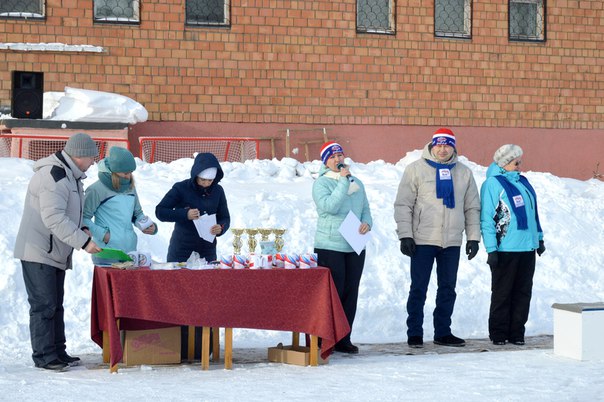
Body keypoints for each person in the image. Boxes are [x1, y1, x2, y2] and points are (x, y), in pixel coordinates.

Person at [14, 133, 102, 371]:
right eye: (93, 156)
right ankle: (44, 356)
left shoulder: (71, 176)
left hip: (54, 249)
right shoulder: (54, 176)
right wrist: (83, 242)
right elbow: (53, 218)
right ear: (80, 155)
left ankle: (57, 351)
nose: (94, 161)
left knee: (56, 303)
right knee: (44, 304)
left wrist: (81, 228)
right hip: (39, 250)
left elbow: (67, 213)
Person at [394, 128, 481, 348]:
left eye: (447, 145)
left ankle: (443, 332)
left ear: (453, 147)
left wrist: (473, 238)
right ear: (432, 146)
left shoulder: (464, 173)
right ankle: (414, 332)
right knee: (418, 288)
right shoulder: (415, 170)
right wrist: (405, 235)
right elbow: (404, 204)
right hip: (423, 239)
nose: (442, 150)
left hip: (451, 241)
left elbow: (472, 207)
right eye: (439, 145)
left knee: (447, 288)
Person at [155, 152, 230, 359]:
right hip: (182, 248)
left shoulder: (218, 191)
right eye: (203, 179)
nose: (206, 184)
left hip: (207, 249)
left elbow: (225, 216)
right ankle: (178, 343)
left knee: (205, 296)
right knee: (178, 294)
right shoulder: (181, 188)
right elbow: (160, 211)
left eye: (210, 180)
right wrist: (184, 214)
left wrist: (220, 228)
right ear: (195, 175)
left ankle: (204, 344)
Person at [480, 144, 545, 346]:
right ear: (505, 163)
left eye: (520, 162)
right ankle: (499, 333)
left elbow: (533, 214)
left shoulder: (523, 182)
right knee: (502, 293)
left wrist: (539, 238)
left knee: (523, 292)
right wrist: (491, 249)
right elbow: (486, 219)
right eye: (516, 162)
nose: (520, 166)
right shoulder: (492, 184)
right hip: (505, 249)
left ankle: (517, 332)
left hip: (527, 248)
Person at [312, 141, 372, 354]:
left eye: (340, 155)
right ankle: (325, 337)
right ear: (325, 162)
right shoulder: (322, 183)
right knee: (332, 293)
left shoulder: (356, 182)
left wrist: (367, 223)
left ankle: (344, 338)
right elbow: (330, 206)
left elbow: (365, 208)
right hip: (331, 245)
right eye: (332, 156)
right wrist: (342, 182)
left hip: (354, 243)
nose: (338, 159)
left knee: (350, 291)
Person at [83, 146, 158, 266]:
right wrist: (104, 235)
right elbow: (83, 218)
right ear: (114, 171)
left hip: (129, 252)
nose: (129, 176)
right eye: (125, 173)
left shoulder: (130, 187)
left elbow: (137, 214)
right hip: (107, 253)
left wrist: (148, 226)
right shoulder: (96, 189)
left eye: (131, 173)